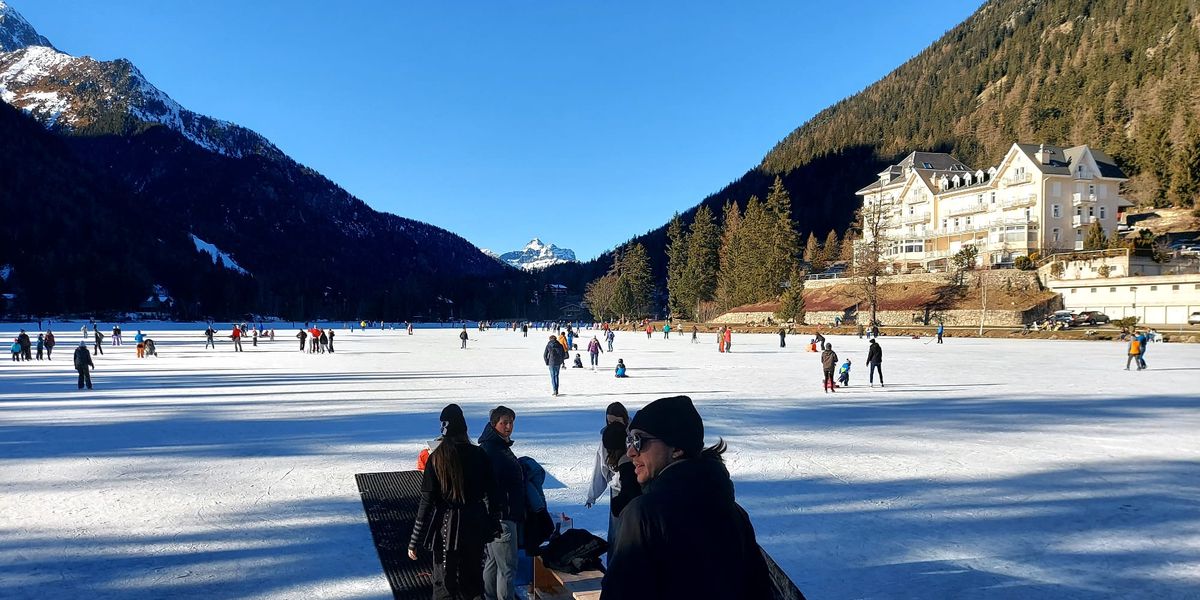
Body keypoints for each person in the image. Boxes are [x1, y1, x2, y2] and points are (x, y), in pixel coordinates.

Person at [602, 396, 772, 599]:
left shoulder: (644, 515)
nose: (630, 452)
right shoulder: (735, 512)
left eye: (638, 441)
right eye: (629, 440)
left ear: (676, 448)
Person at [408, 404, 499, 600]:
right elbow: (493, 494)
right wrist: (493, 524)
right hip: (474, 524)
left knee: (443, 582)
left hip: (445, 527)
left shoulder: (436, 459)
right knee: (473, 581)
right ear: (464, 429)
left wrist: (414, 540)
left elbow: (426, 502)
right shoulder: (479, 455)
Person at [478, 406, 524, 600]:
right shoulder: (494, 450)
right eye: (504, 423)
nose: (508, 427)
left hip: (495, 516)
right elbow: (490, 486)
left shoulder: (495, 446)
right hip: (502, 516)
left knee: (493, 563)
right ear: (494, 424)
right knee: (507, 568)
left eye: (511, 422)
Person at [585, 403, 640, 564]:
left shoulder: (635, 436)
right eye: (609, 421)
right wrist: (592, 495)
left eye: (617, 421)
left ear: (625, 419)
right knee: (616, 533)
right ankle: (613, 566)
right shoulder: (606, 438)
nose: (613, 424)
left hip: (637, 487)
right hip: (617, 489)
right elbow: (600, 467)